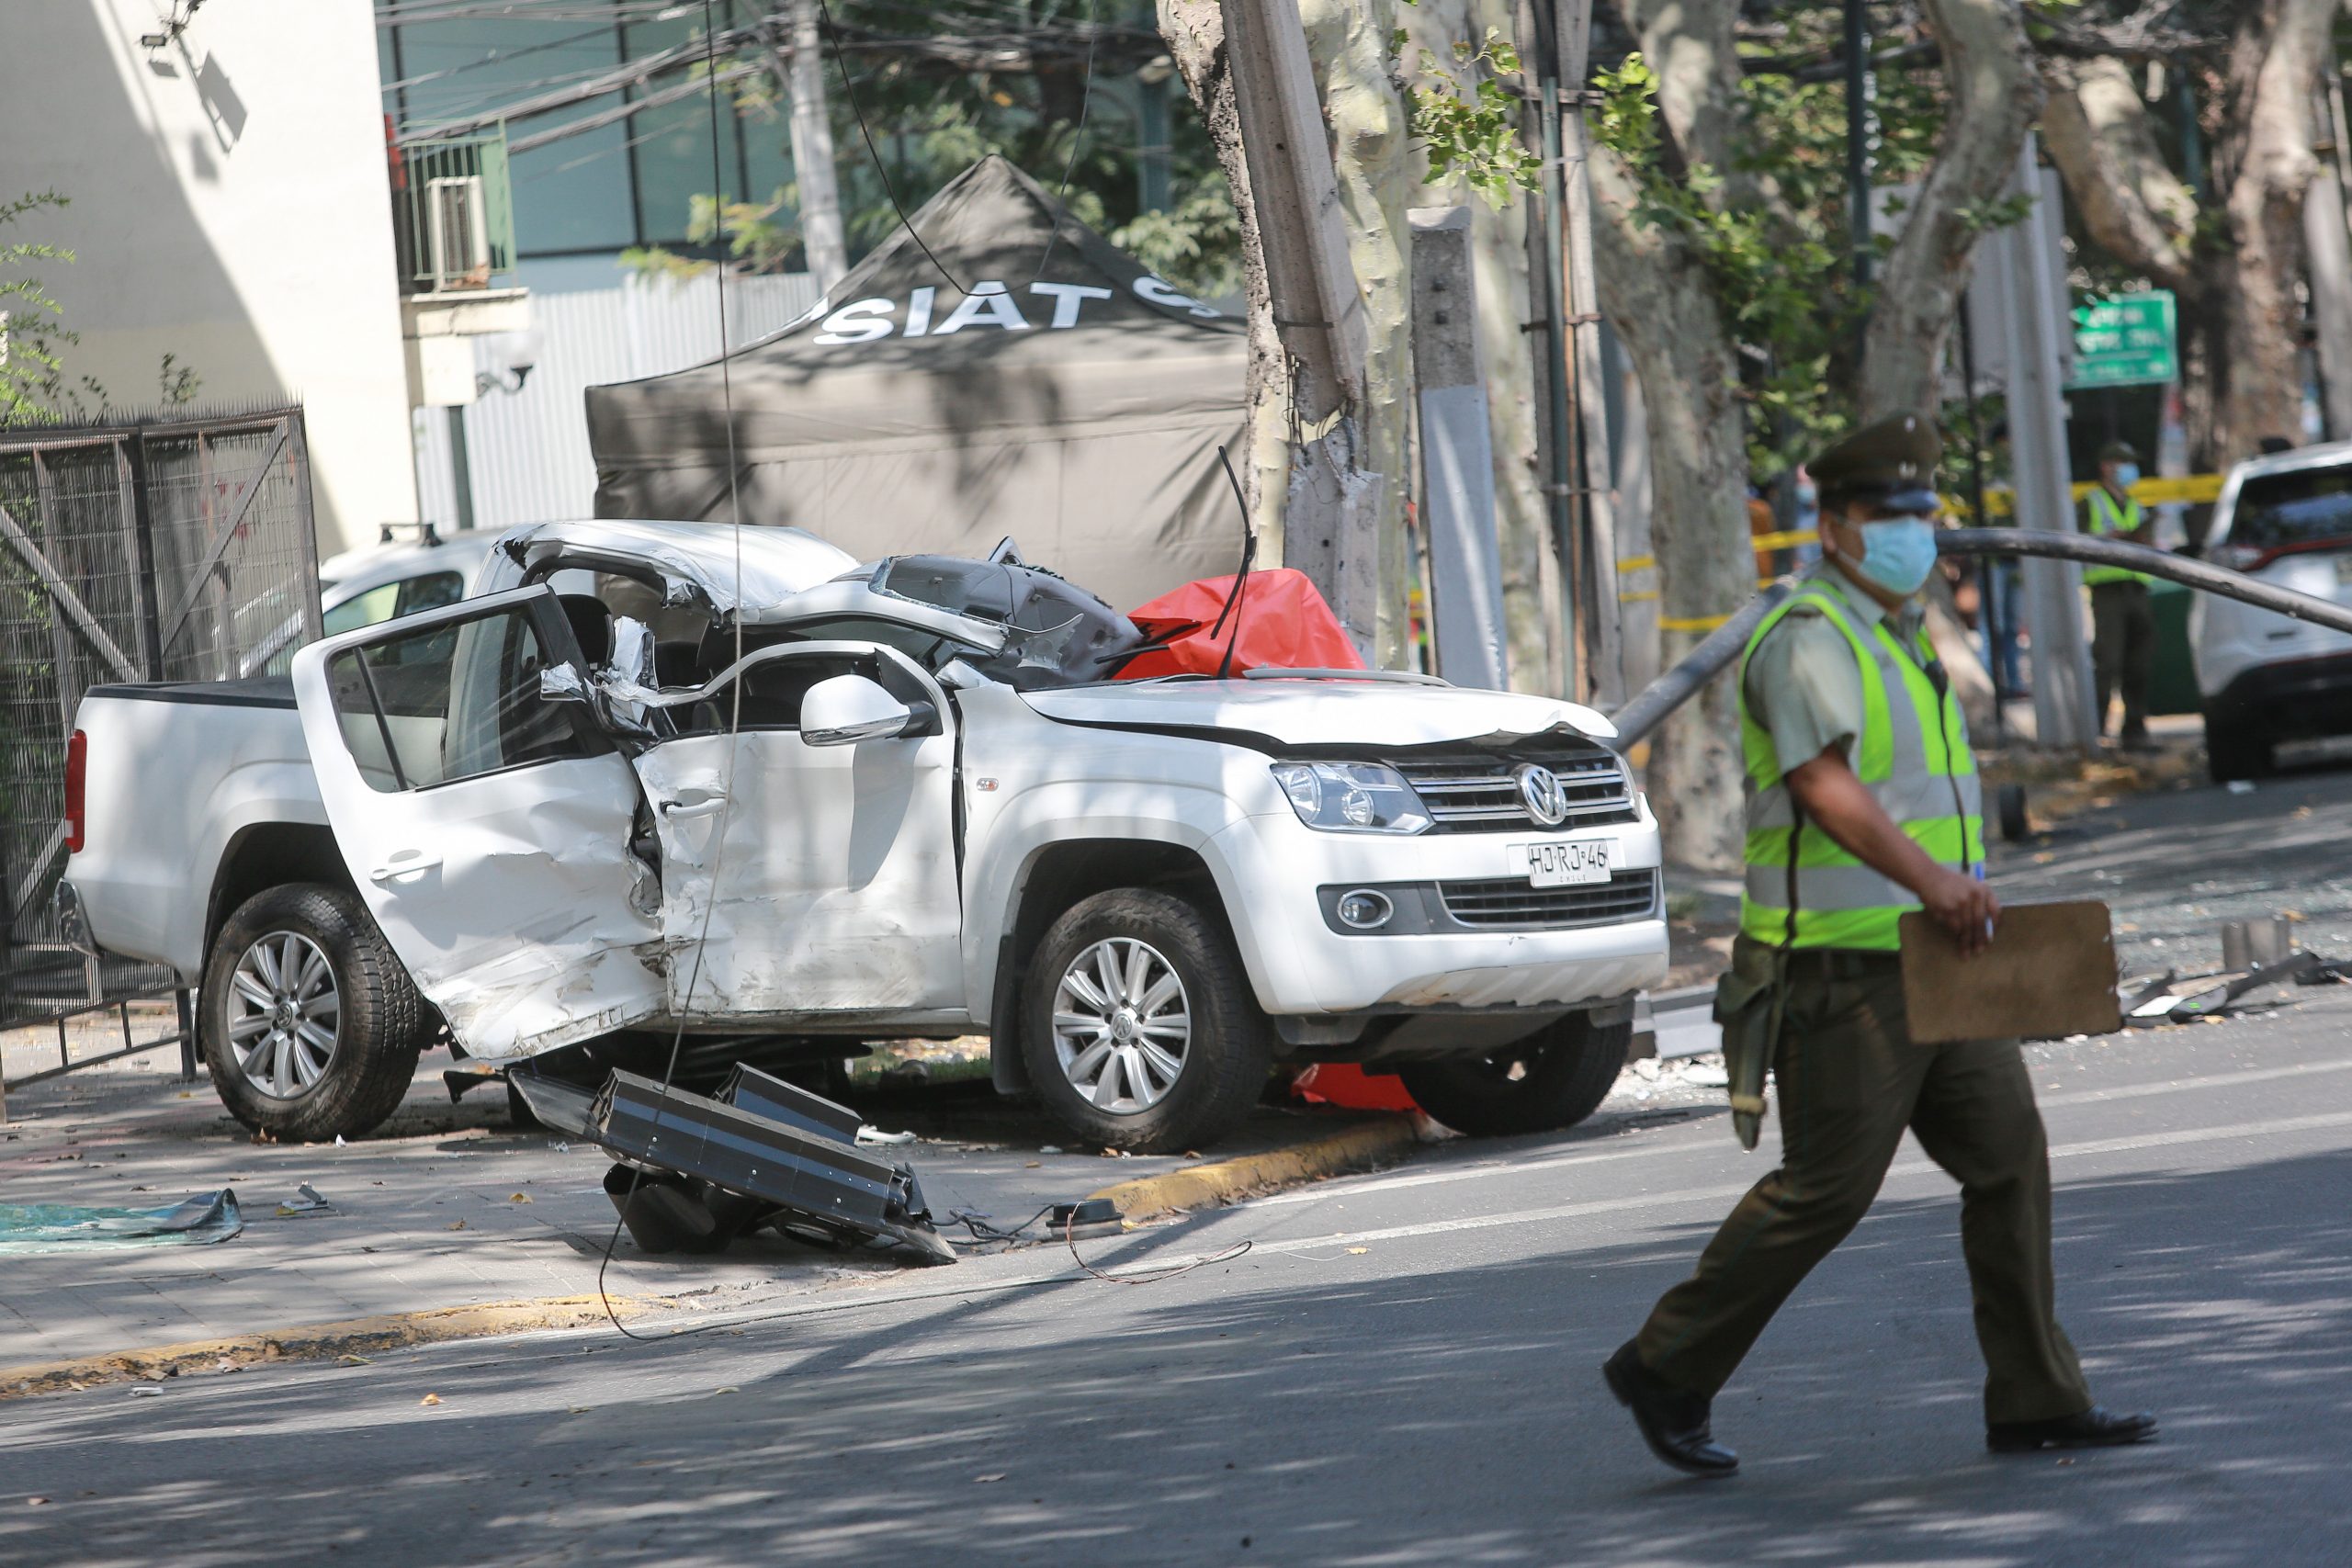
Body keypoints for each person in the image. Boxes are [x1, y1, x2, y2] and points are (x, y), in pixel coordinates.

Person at [1600, 412, 2155, 1478]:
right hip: (1843, 969)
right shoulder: (1811, 633)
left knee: (2008, 1161)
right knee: (1824, 1191)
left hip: (1941, 959)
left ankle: (2037, 1398)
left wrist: (1955, 891)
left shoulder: (1900, 636)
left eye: (1920, 513)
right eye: (1886, 515)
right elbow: (1823, 784)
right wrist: (1934, 881)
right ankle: (1664, 1364)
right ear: (1834, 525)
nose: (1911, 531)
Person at [2082, 440, 2156, 750]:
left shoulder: (2136, 504)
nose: (2128, 470)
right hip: (2108, 591)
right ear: (2106, 466)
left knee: (2138, 663)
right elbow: (2079, 541)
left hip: (2137, 589)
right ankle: (2097, 732)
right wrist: (2109, 539)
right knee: (2108, 662)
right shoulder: (2090, 502)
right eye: (2122, 463)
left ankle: (2135, 731)